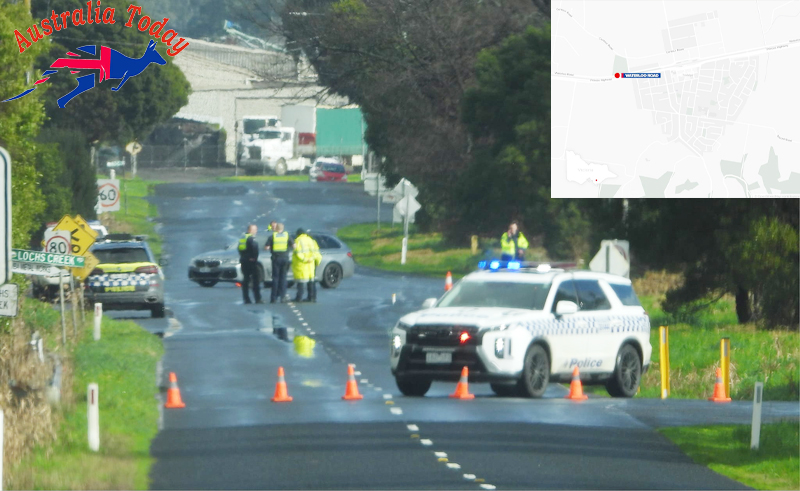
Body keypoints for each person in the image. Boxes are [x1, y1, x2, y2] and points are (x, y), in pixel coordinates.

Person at [264, 222, 294, 303]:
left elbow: (266, 247)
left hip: (276, 259)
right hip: (285, 258)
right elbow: (294, 246)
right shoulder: (287, 236)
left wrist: (271, 247)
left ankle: (273, 298)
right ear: (282, 229)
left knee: (275, 278)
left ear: (276, 228)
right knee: (283, 278)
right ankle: (283, 296)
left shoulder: (272, 237)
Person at [292, 228, 322, 303]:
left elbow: (298, 253)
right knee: (311, 281)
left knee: (301, 281)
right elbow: (315, 251)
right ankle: (312, 297)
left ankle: (299, 298)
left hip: (302, 264)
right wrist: (313, 259)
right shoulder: (311, 240)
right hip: (311, 264)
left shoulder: (298, 240)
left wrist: (305, 259)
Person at [238, 224, 262, 304]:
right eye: (254, 230)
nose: (256, 231)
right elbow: (255, 249)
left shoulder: (243, 238)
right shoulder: (251, 239)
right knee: (255, 280)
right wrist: (254, 258)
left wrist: (244, 256)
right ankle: (257, 298)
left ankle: (246, 299)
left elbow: (239, 249)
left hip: (243, 260)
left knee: (246, 279)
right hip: (251, 262)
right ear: (250, 230)